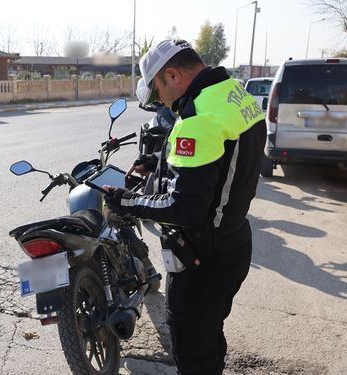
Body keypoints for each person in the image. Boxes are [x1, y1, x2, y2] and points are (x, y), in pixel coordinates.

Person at [103, 39, 266, 374]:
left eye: (159, 90)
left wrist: (127, 201)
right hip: (234, 241)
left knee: (193, 354)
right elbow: (220, 159)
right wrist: (159, 161)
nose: (162, 100)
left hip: (203, 259)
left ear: (173, 74)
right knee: (209, 337)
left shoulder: (198, 117)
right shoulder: (233, 92)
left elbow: (184, 209)